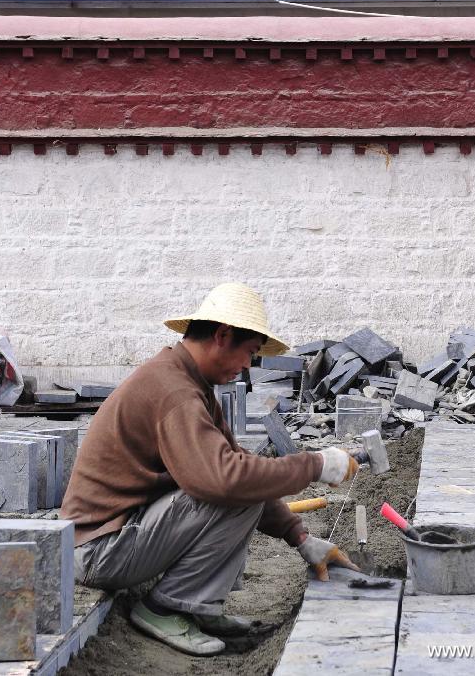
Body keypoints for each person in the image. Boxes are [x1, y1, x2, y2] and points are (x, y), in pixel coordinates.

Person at [61, 282, 360, 657]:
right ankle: (167, 608)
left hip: (116, 537)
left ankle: (196, 608)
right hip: (99, 551)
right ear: (222, 335)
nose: (248, 365)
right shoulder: (175, 391)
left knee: (237, 483)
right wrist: (315, 464)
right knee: (230, 488)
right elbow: (225, 481)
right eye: (249, 352)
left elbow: (236, 469)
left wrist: (300, 539)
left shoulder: (189, 382)